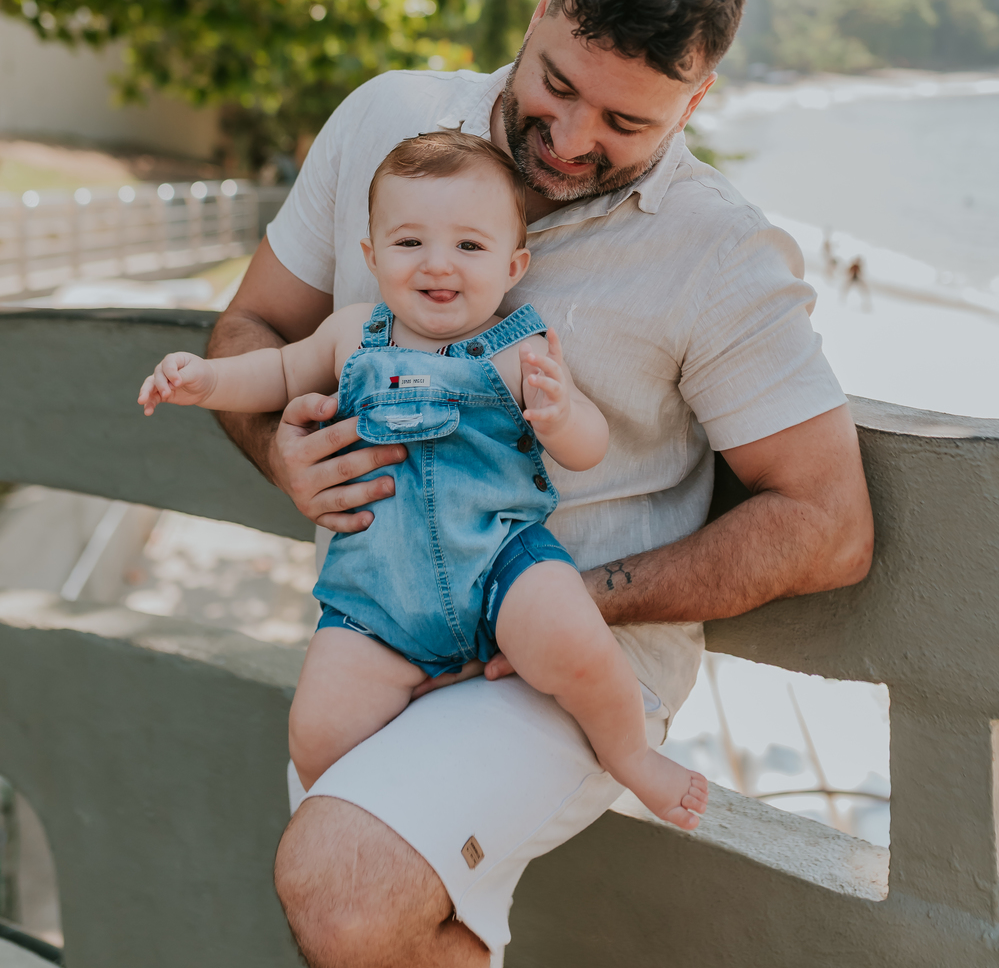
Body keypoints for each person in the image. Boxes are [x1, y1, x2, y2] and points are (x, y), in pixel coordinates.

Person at [207, 0, 874, 968]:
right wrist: (278, 449)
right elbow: (255, 326)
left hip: (567, 670)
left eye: (625, 120)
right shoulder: (387, 123)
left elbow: (829, 524)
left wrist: (560, 602)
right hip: (377, 625)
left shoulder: (722, 254)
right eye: (556, 85)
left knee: (341, 892)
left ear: (696, 101)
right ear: (540, 9)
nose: (568, 139)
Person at [138, 130, 708, 830]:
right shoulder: (353, 335)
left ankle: (632, 757)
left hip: (501, 566)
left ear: (512, 265)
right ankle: (354, 814)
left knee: (579, 646)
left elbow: (589, 448)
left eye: (469, 246)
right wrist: (207, 380)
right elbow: (279, 372)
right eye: (409, 243)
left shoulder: (518, 350)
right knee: (316, 734)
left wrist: (561, 416)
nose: (438, 264)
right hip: (377, 596)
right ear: (372, 257)